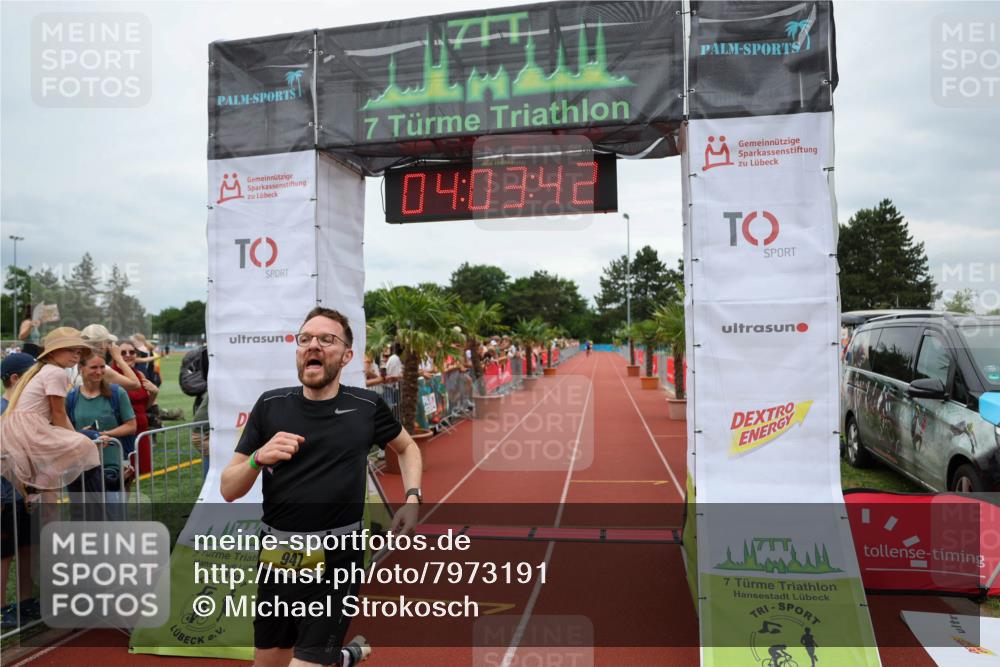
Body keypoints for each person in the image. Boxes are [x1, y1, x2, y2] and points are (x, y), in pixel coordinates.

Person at [220, 307, 422, 667]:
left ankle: (331, 656)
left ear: (345, 355)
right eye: (305, 339)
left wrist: (412, 498)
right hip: (277, 556)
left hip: (339, 553)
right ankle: (345, 657)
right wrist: (257, 458)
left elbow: (407, 448)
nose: (313, 345)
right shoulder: (270, 405)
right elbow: (228, 489)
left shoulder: (366, 406)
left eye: (326, 339)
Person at [0, 328, 100, 498]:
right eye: (70, 349)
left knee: (78, 444)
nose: (76, 356)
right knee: (84, 445)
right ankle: (43, 480)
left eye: (78, 351)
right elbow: (59, 413)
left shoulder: (45, 370)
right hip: (29, 428)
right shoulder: (56, 372)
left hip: (19, 428)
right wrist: (74, 440)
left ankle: (32, 492)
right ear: (53, 351)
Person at [0, 352, 40, 630]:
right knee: (4, 553)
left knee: (27, 545)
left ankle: (25, 602)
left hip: (22, 489)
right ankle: (1, 609)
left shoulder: (20, 409)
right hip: (6, 491)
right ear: (15, 378)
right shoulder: (4, 409)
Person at [67, 350, 137, 458]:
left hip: (112, 460)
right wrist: (82, 434)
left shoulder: (117, 393)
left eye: (102, 367)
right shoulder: (71, 397)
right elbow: (63, 429)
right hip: (82, 461)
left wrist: (103, 434)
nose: (99, 372)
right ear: (81, 368)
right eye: (94, 367)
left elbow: (131, 426)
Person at [77, 324, 141, 391]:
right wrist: (119, 358)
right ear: (102, 344)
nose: (109, 345)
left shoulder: (76, 363)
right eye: (108, 342)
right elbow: (136, 384)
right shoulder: (101, 369)